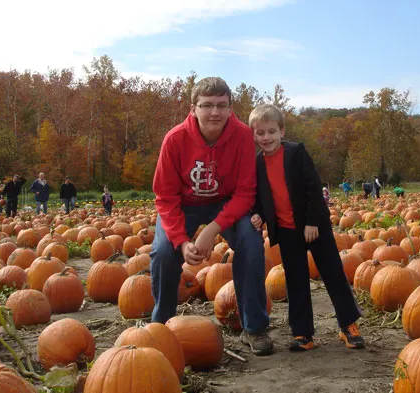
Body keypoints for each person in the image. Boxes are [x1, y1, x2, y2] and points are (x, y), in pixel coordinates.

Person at [150, 77, 271, 355]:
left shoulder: (241, 136)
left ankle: (253, 326)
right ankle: (161, 326)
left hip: (227, 203)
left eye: (221, 105)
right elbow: (165, 198)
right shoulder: (175, 139)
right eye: (207, 105)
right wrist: (181, 241)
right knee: (162, 252)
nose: (214, 112)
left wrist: (212, 229)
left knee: (252, 244)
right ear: (193, 108)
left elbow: (245, 192)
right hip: (184, 204)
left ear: (230, 108)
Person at [249, 104, 364, 351]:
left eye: (271, 132)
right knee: (295, 280)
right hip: (286, 230)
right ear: (254, 134)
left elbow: (313, 186)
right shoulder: (257, 163)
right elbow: (258, 196)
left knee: (333, 273)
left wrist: (312, 221)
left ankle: (349, 326)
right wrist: (257, 214)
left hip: (314, 226)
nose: (266, 138)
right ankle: (303, 333)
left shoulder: (295, 152)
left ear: (282, 131)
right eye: (260, 133)